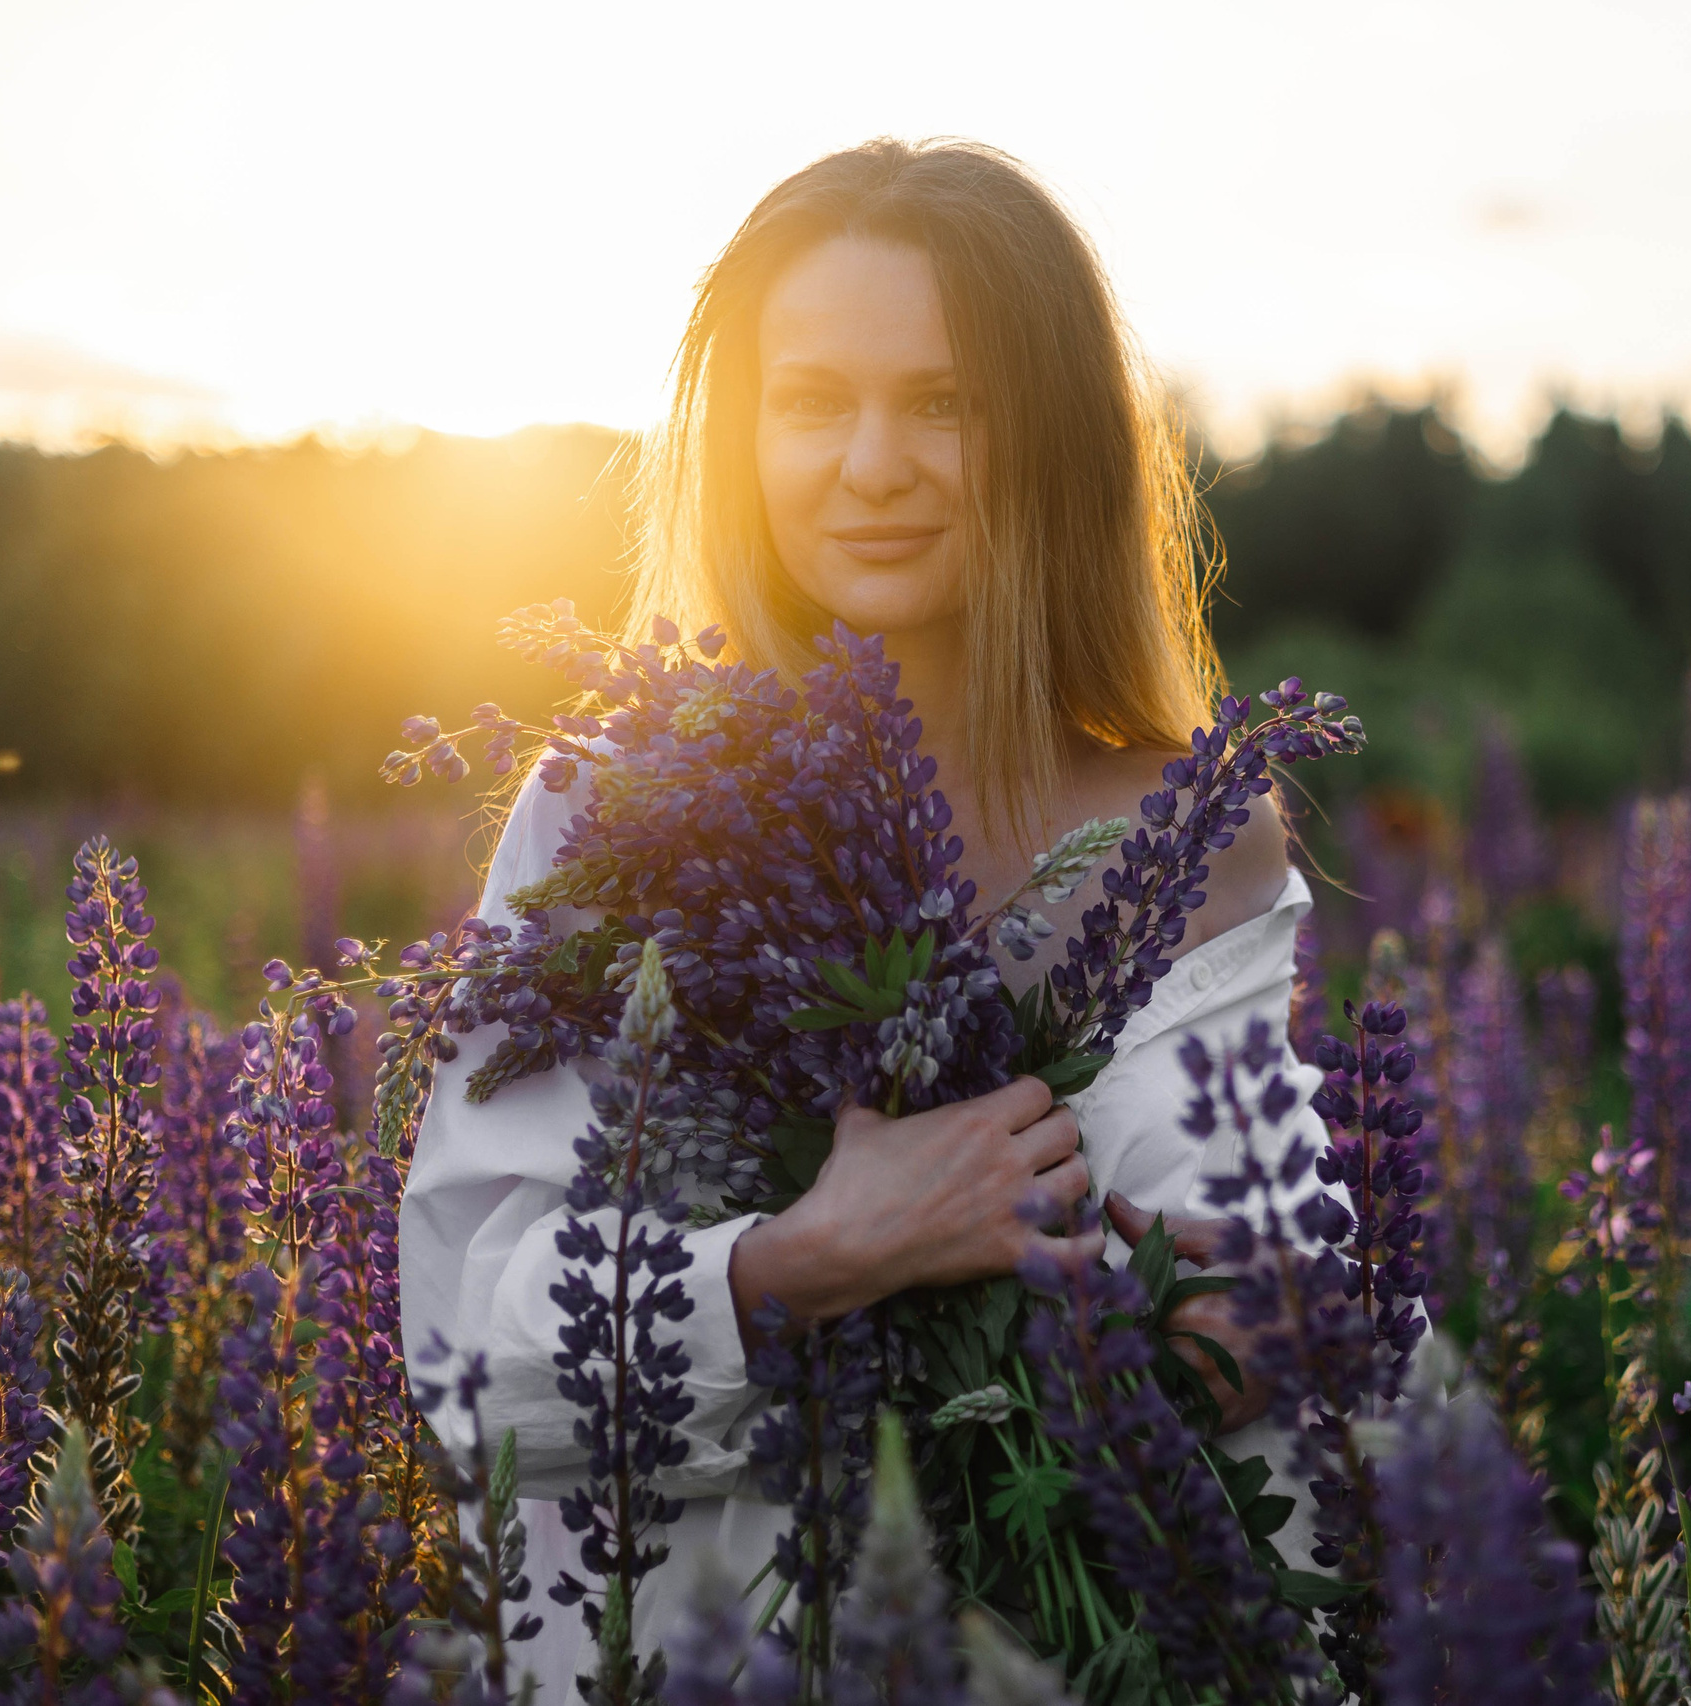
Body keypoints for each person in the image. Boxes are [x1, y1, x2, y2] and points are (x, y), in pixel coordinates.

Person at [398, 136, 1337, 1691]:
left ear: (1051, 438)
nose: (874, 463)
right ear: (745, 438)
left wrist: (1255, 1310)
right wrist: (804, 1258)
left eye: (946, 403)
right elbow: (467, 1362)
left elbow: (1273, 1252)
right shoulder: (617, 811)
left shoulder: (1193, 827)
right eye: (814, 402)